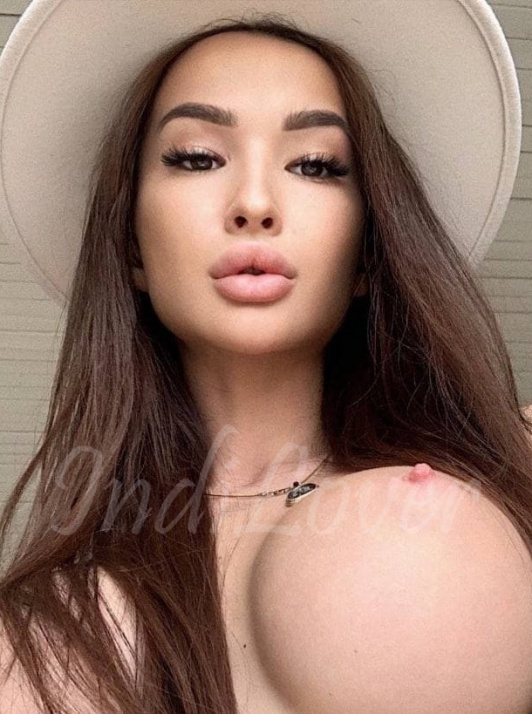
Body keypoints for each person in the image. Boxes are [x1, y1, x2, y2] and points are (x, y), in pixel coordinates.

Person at [0, 1, 531, 712]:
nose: (254, 202)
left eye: (316, 165)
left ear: (370, 249)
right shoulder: (52, 622)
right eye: (197, 157)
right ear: (130, 246)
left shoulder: (510, 458)